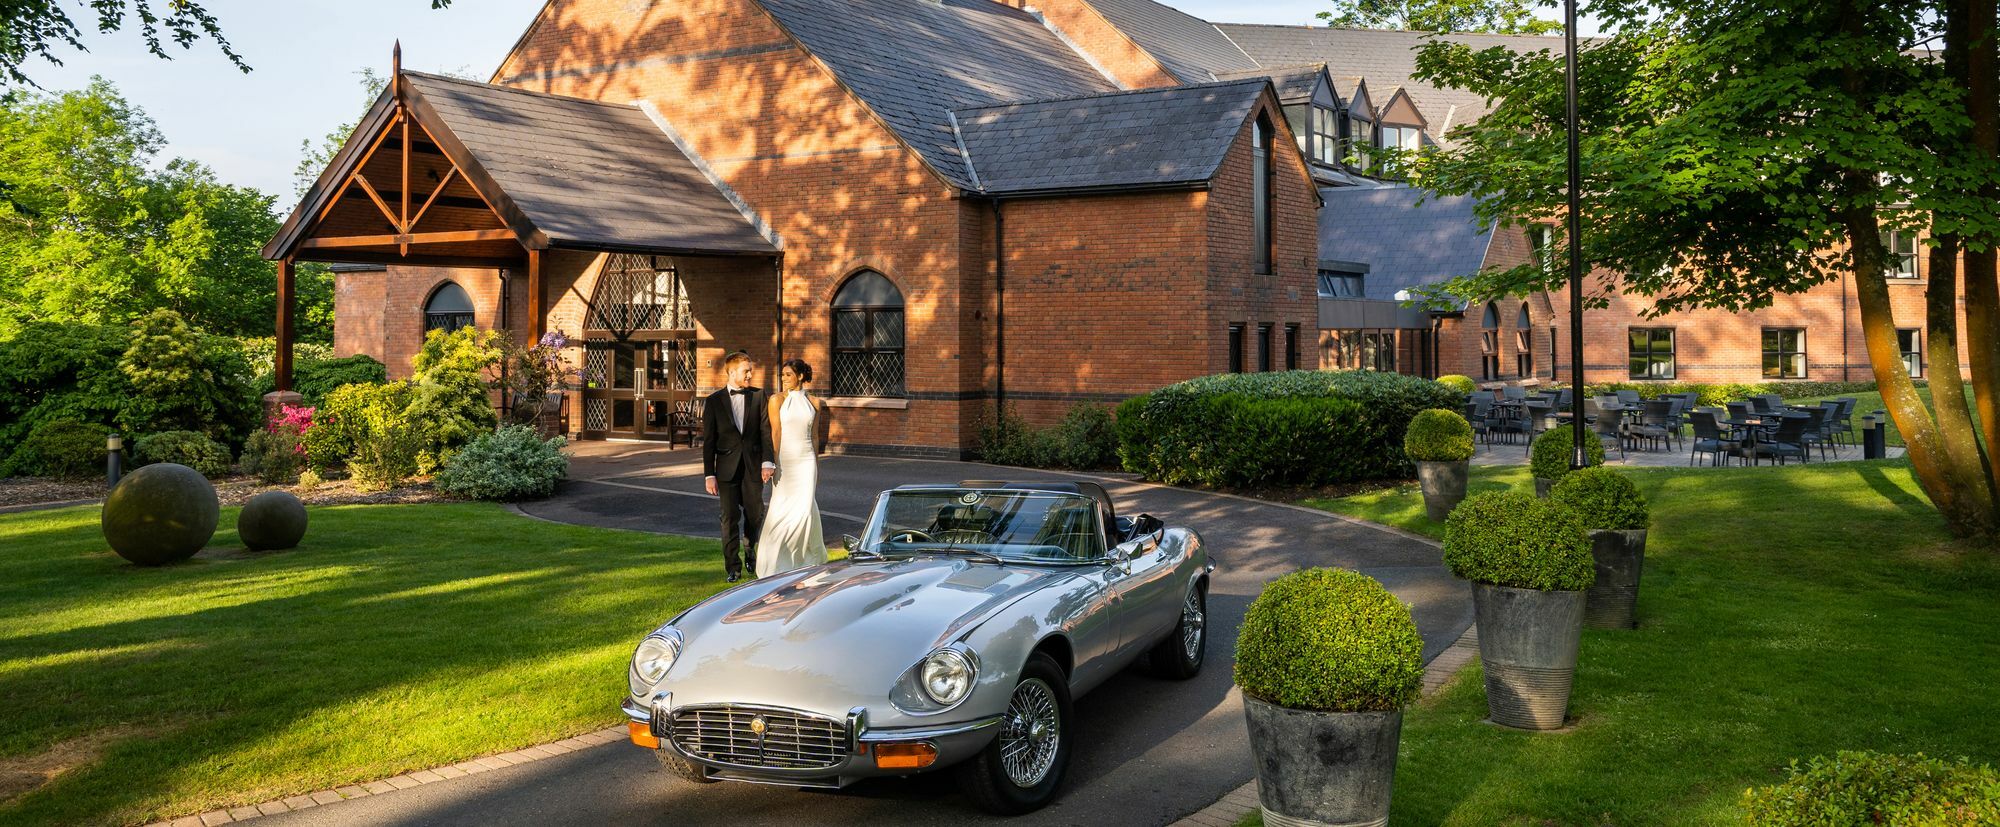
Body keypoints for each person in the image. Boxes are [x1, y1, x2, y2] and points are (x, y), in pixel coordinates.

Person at [703, 351, 775, 582]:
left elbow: (766, 432)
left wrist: (767, 461)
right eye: (746, 370)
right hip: (725, 469)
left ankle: (750, 547)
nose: (750, 375)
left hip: (753, 467)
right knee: (729, 517)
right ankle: (732, 567)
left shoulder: (758, 396)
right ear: (732, 372)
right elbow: (709, 441)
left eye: (750, 370)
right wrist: (709, 475)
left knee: (755, 515)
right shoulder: (714, 401)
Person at [758, 359, 830, 578]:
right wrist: (771, 462)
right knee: (782, 508)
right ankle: (776, 561)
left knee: (805, 509)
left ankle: (807, 560)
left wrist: (816, 466)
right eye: (782, 375)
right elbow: (775, 433)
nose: (784, 378)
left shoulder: (815, 402)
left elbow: (815, 436)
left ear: (800, 376)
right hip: (784, 460)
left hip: (806, 461)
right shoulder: (776, 400)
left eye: (788, 374)